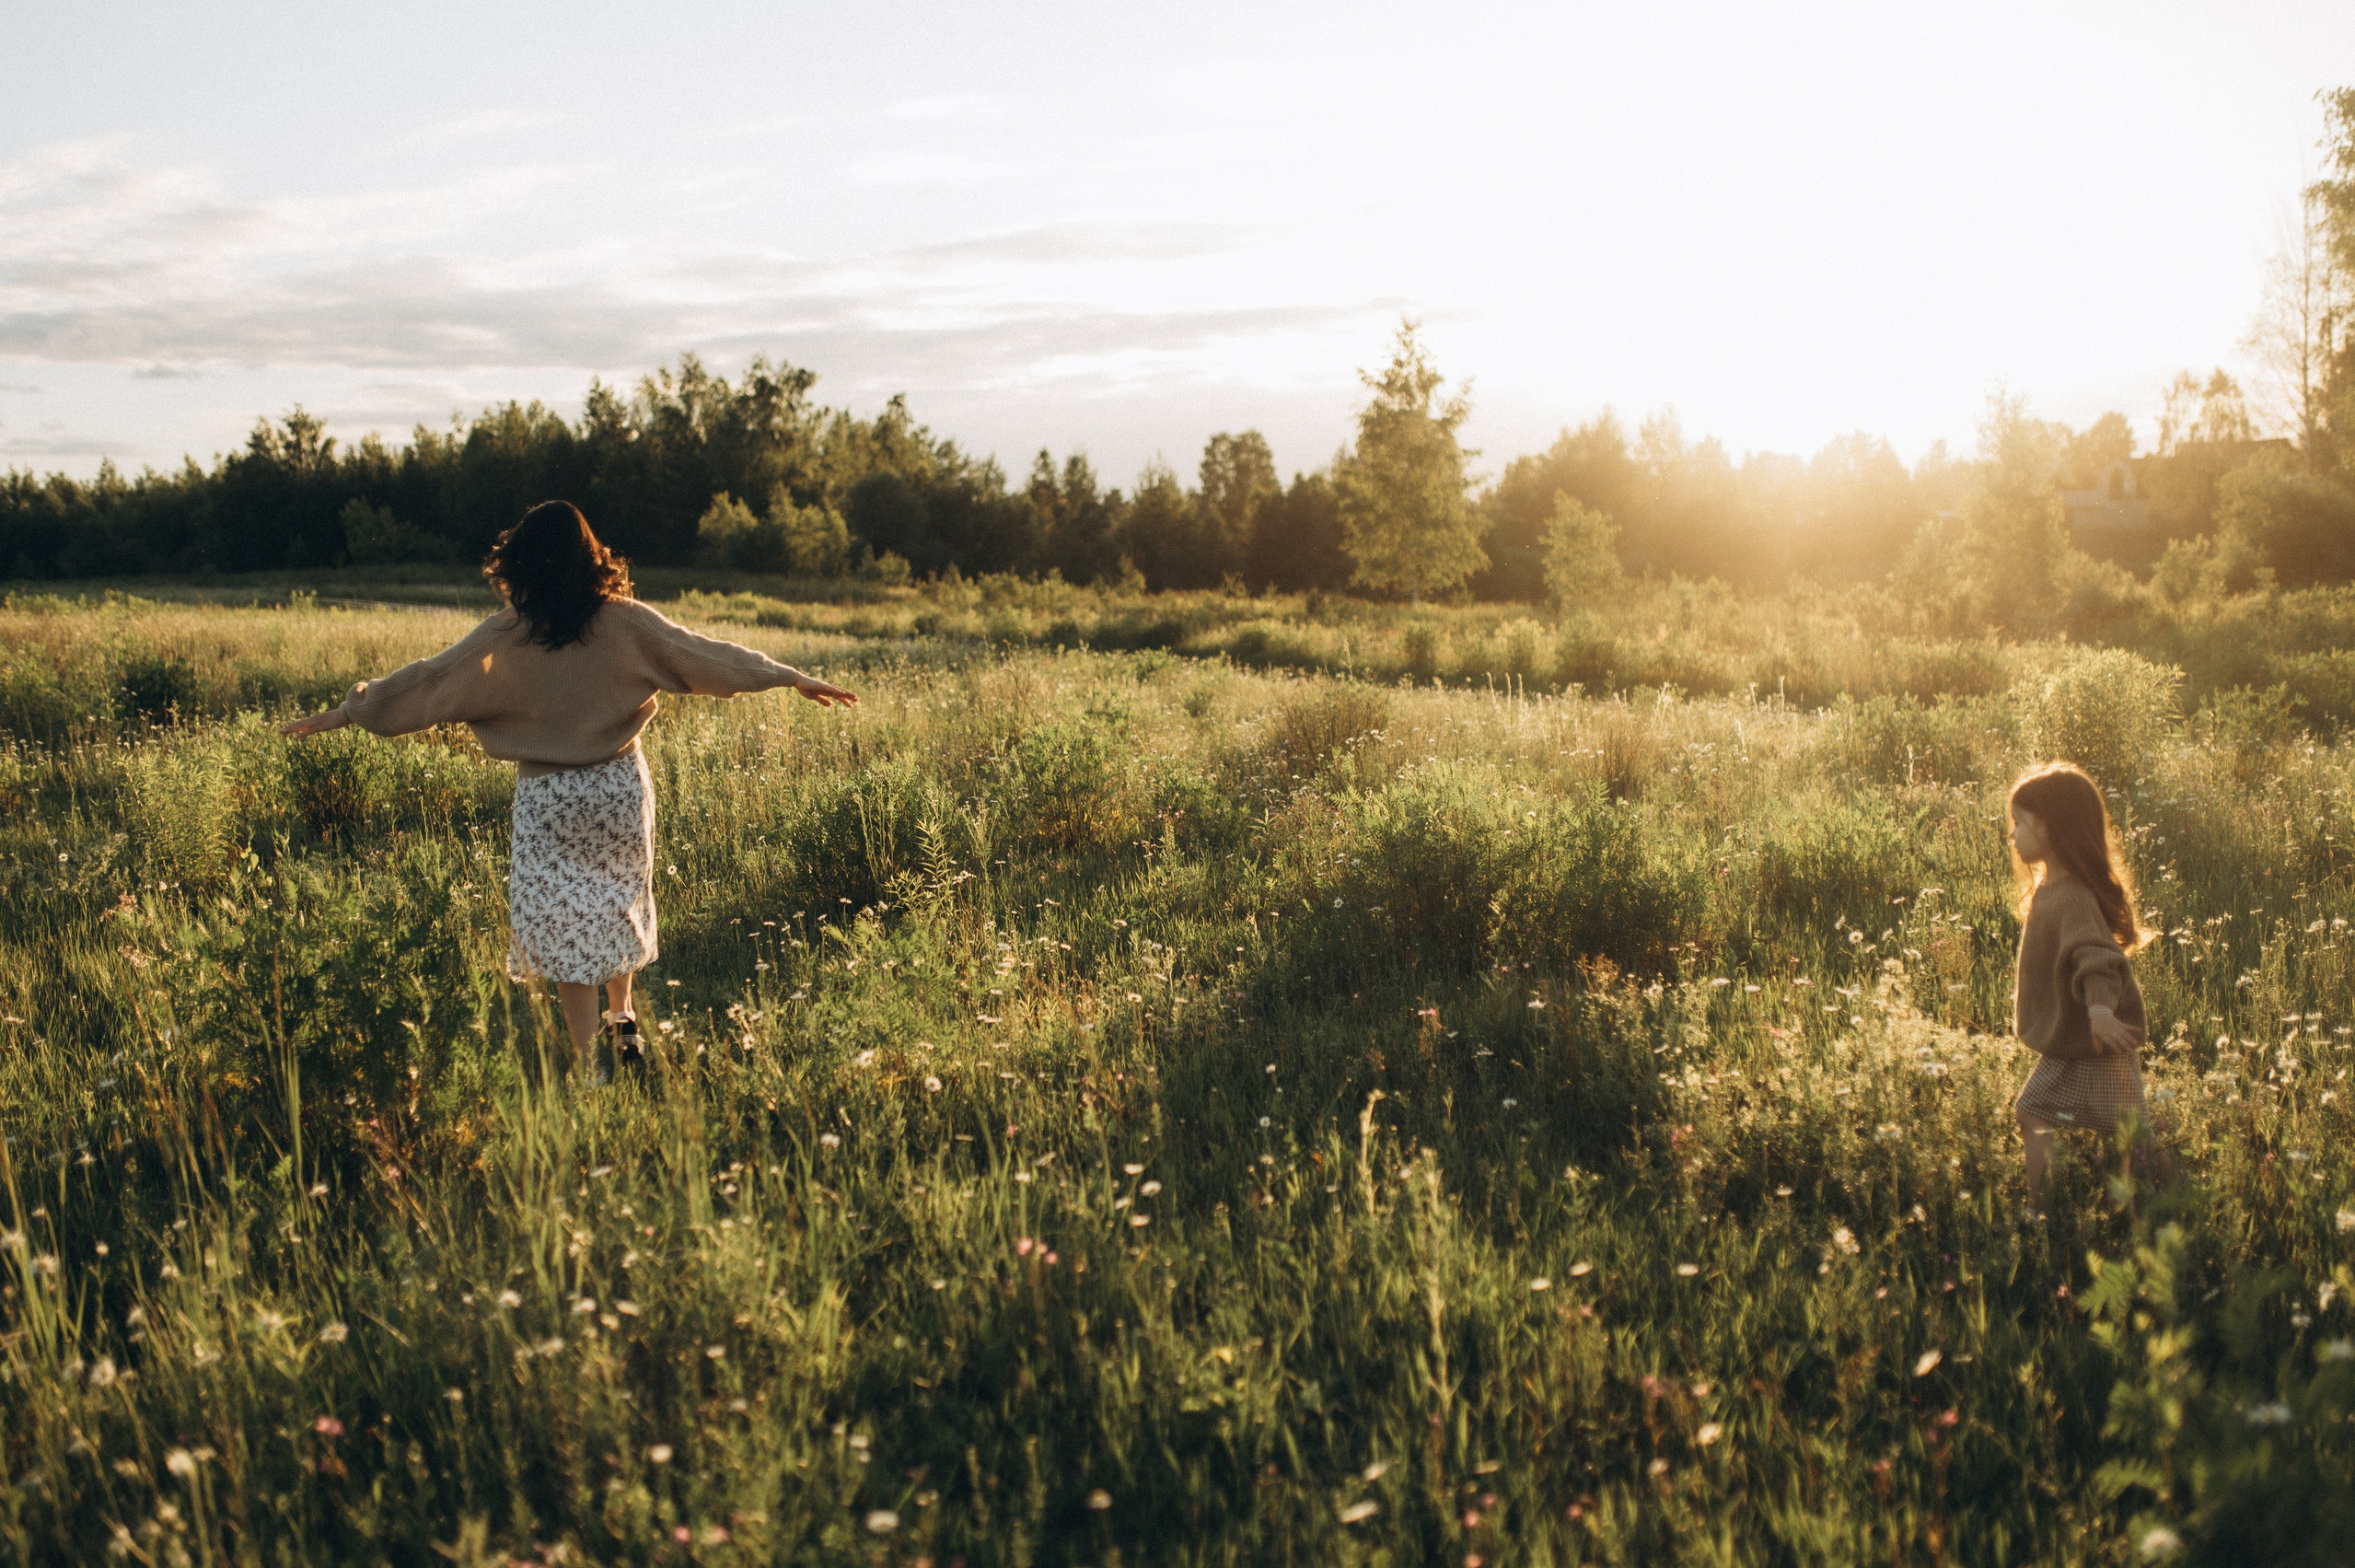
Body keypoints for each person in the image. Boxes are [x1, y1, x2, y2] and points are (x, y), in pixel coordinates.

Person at [280, 500, 856, 1082]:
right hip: (617, 792)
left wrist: (352, 711)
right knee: (616, 902)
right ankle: (623, 1018)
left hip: (548, 800)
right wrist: (787, 675)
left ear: (523, 562)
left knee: (563, 928)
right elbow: (702, 654)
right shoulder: (625, 620)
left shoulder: (507, 633)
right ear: (590, 555)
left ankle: (588, 1068)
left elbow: (429, 682)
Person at [2005, 761, 2172, 1213]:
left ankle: (2044, 1212)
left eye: (2020, 823)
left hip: (2091, 1039)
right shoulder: (2052, 888)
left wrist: (2100, 1012)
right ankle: (2172, 1196)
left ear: (2051, 828)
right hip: (2079, 1039)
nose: (2012, 835)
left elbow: (2098, 958)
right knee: (2129, 1137)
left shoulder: (2072, 895)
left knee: (2040, 1114)